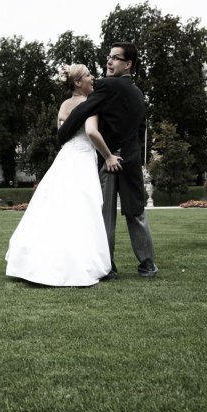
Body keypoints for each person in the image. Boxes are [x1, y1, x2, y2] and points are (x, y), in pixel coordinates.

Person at [5, 64, 120, 287]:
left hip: (66, 157)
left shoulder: (64, 105)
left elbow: (62, 135)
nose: (92, 77)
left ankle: (38, 261)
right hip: (82, 158)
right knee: (82, 209)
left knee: (55, 207)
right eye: (88, 75)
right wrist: (108, 156)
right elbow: (91, 132)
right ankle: (76, 263)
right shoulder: (90, 103)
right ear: (77, 82)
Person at [58, 42, 158, 279]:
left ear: (128, 64)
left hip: (109, 159)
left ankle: (108, 266)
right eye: (109, 57)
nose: (109, 61)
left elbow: (82, 111)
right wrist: (136, 156)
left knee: (106, 214)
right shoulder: (138, 93)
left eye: (115, 58)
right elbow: (140, 129)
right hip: (131, 158)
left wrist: (62, 135)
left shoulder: (107, 85)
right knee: (136, 211)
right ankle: (147, 263)